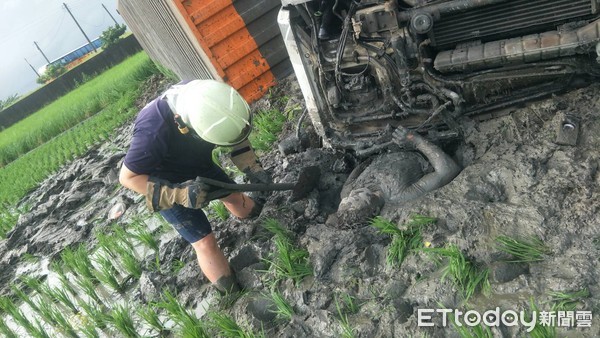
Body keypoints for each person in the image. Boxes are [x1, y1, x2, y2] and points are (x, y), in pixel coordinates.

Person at [119, 80, 269, 294]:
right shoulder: (153, 130)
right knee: (204, 242)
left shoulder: (214, 97)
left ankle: (256, 217)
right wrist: (180, 194)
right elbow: (128, 178)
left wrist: (253, 168)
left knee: (235, 196)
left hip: (197, 162)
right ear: (185, 126)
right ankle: (232, 293)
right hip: (163, 183)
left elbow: (237, 133)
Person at [332, 126, 461, 226]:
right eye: (356, 197)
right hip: (415, 147)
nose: (352, 194)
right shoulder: (400, 196)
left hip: (384, 142)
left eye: (347, 199)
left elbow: (362, 165)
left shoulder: (347, 192)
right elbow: (447, 171)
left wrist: (372, 150)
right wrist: (415, 139)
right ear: (375, 211)